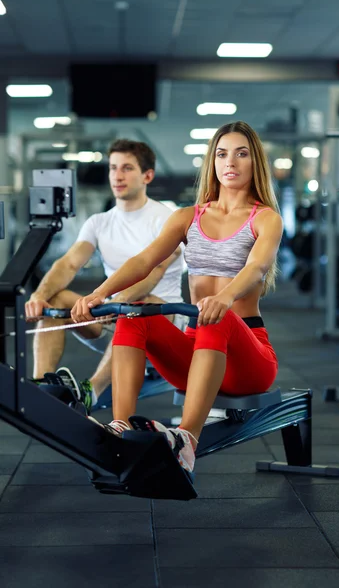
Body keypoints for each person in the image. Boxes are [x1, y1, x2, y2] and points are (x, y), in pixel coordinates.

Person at [71, 121, 283, 473]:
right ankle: (120, 424)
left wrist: (225, 298)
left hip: (249, 361)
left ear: (254, 162)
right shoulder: (188, 217)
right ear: (212, 162)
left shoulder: (266, 218)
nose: (230, 162)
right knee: (135, 313)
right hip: (195, 353)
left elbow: (257, 268)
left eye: (241, 154)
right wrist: (98, 293)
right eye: (222, 154)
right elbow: (143, 260)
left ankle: (187, 439)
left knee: (214, 316)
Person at [25, 139, 184, 410]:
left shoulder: (168, 219)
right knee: (59, 297)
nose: (117, 176)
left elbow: (154, 271)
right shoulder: (99, 222)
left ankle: (93, 391)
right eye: (112, 168)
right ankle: (42, 386)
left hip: (162, 323)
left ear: (147, 175)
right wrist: (39, 295)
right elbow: (69, 264)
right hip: (110, 318)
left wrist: (117, 300)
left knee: (141, 304)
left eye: (127, 168)